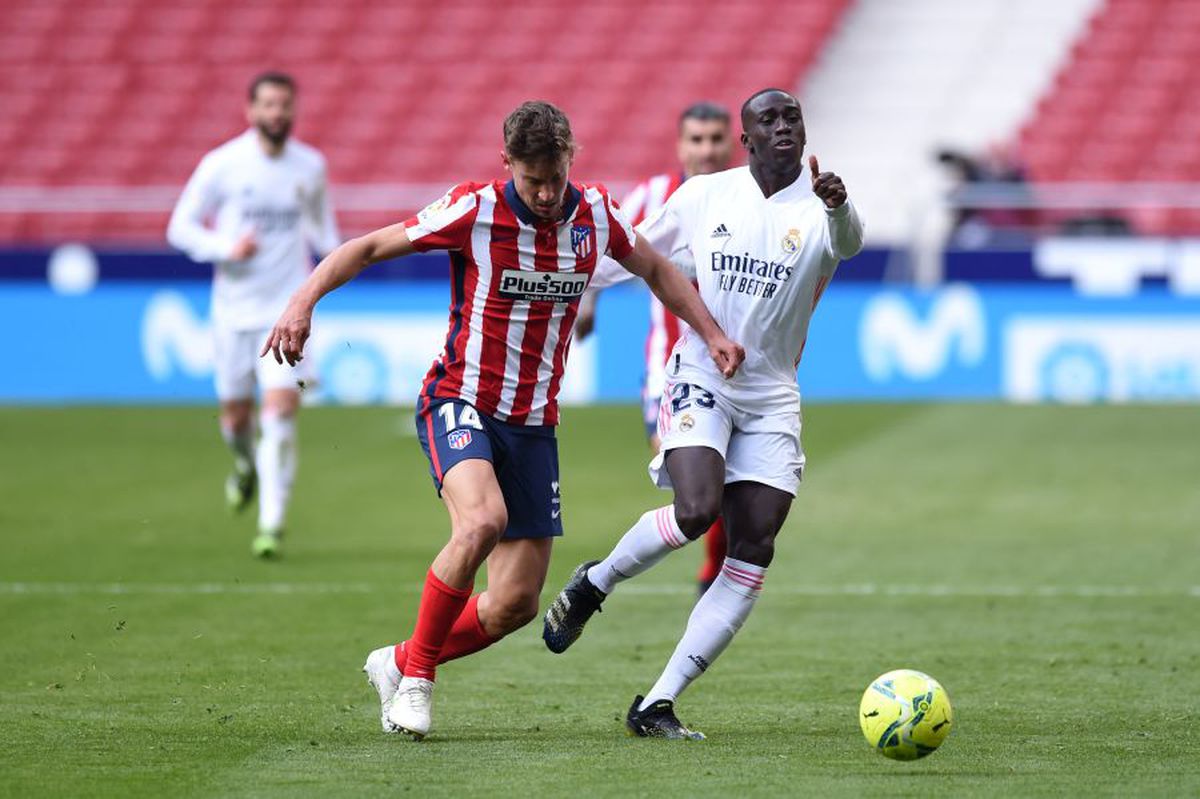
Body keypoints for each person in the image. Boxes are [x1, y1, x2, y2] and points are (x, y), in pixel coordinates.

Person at [260, 101, 744, 740]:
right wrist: (302, 301)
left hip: (534, 424)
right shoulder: (475, 209)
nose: (545, 194)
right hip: (459, 399)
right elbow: (371, 245)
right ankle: (418, 684)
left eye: (554, 177)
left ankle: (398, 660)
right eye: (531, 179)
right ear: (506, 163)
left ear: (571, 160)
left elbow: (655, 269)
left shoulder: (596, 215)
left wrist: (710, 333)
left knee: (516, 603)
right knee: (482, 520)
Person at [542, 88, 864, 740]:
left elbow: (850, 242)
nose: (782, 127)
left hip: (772, 395)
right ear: (746, 139)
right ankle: (592, 584)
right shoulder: (704, 197)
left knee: (754, 546)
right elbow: (631, 258)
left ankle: (656, 702)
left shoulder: (824, 206)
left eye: (792, 117)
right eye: (767, 120)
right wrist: (560, 282)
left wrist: (840, 202)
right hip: (701, 376)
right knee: (695, 509)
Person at [167, 71, 340, 558]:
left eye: (285, 104)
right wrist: (226, 245)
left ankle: (271, 524)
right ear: (251, 111)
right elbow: (179, 227)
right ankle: (245, 468)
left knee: (281, 411)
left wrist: (329, 281)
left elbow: (325, 234)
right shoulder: (222, 164)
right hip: (232, 316)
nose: (277, 113)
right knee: (236, 420)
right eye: (268, 104)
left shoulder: (310, 167)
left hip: (285, 313)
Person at [574, 101, 735, 597]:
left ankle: (713, 575)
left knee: (732, 485)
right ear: (680, 145)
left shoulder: (746, 197)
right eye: (696, 140)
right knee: (702, 483)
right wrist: (588, 300)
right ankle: (707, 573)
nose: (706, 150)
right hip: (669, 373)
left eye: (715, 140)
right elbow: (608, 245)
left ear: (730, 143)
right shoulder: (654, 196)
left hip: (736, 365)